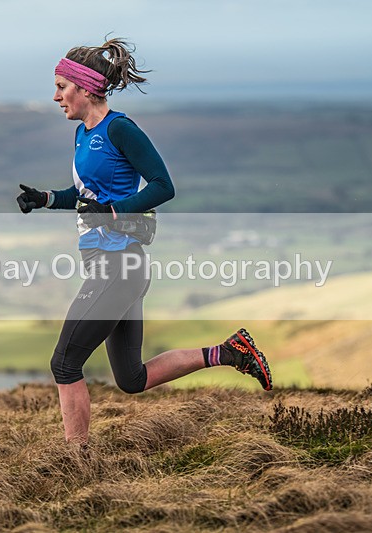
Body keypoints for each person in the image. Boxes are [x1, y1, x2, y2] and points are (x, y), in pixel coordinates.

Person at [16, 38, 272, 444]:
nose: (55, 96)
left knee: (65, 362)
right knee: (132, 379)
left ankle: (76, 460)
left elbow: (162, 186)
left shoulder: (120, 129)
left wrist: (115, 212)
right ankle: (230, 352)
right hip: (114, 264)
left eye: (61, 86)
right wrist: (47, 199)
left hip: (119, 264)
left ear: (84, 88)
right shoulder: (83, 133)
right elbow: (88, 197)